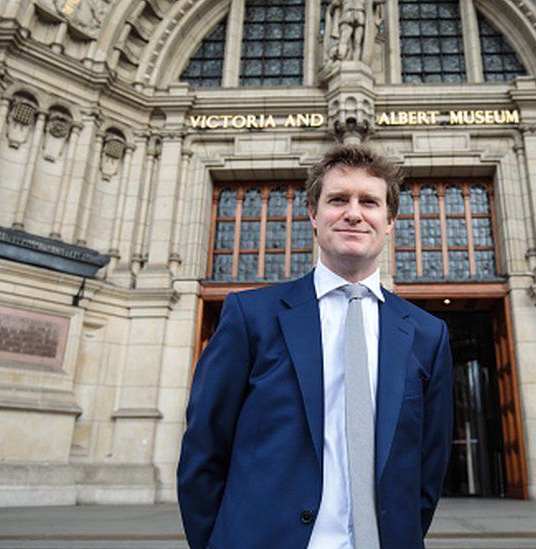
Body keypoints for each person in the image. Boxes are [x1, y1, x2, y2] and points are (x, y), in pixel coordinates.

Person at [177, 144, 453, 548]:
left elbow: (428, 470)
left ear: (390, 221)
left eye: (370, 202)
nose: (354, 213)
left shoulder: (428, 335)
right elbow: (205, 447)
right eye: (338, 199)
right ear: (313, 213)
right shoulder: (251, 316)